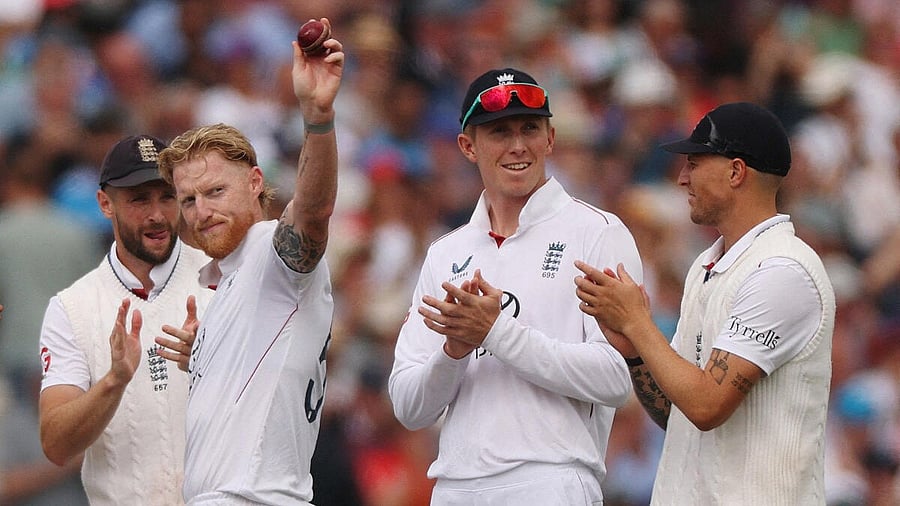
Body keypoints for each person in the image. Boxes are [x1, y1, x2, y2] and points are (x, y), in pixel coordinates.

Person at [388, 67, 643, 505]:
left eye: (530, 128)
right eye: (499, 132)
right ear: (468, 146)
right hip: (455, 486)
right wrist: (453, 352)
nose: (518, 145)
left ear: (551, 138)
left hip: (552, 479)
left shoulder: (598, 231)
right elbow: (410, 408)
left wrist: (496, 332)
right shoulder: (445, 253)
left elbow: (617, 379)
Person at [575, 102, 836, 504]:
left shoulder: (784, 269)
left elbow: (706, 405)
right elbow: (675, 413)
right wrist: (634, 351)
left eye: (694, 163)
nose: (682, 178)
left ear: (735, 172)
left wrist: (638, 324)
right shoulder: (706, 264)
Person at [155, 20, 343, 505]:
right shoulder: (230, 288)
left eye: (216, 191)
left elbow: (314, 210)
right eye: (189, 199)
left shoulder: (268, 251)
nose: (202, 211)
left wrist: (317, 117)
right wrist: (210, 350)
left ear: (256, 181)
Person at [37, 134, 214, 505]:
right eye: (139, 199)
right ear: (105, 203)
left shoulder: (221, 280)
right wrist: (114, 382)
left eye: (167, 195)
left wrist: (214, 361)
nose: (157, 214)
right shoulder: (71, 308)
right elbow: (56, 445)